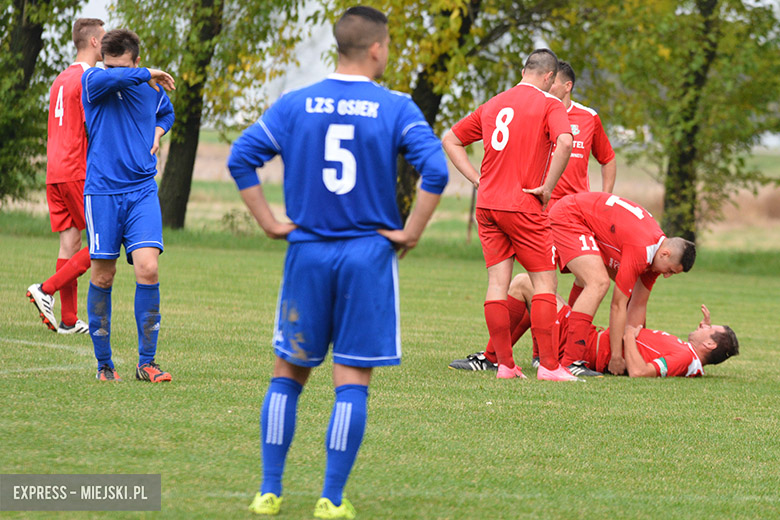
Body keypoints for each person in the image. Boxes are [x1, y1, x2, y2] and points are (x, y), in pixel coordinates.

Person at [228, 6, 448, 518]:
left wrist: (269, 221)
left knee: (288, 372)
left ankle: (269, 491)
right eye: (388, 45)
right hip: (367, 256)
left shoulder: (296, 104)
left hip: (307, 252)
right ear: (376, 49)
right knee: (351, 379)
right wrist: (411, 232)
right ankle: (330, 498)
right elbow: (435, 170)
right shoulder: (396, 106)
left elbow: (241, 157)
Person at [442, 48, 577, 381]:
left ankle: (505, 365)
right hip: (524, 205)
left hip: (487, 205)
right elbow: (565, 142)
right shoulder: (550, 104)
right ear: (549, 76)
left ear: (523, 70)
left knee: (497, 283)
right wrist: (548, 186)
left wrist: (477, 179)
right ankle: (548, 367)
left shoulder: (494, 102)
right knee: (544, 282)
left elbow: (451, 139)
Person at [81, 29, 175, 382]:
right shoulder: (94, 80)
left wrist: (158, 131)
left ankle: (146, 363)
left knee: (148, 269)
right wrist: (147, 72)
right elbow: (114, 77)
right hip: (103, 191)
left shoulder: (150, 88)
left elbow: (166, 113)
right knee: (104, 275)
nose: (112, 72)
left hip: (141, 190)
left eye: (122, 66)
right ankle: (104, 365)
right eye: (109, 65)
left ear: (136, 59)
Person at [450, 274, 739, 377]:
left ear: (710, 344)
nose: (702, 328)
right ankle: (510, 357)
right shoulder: (690, 354)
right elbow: (650, 348)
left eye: (708, 332)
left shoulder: (685, 358)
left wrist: (626, 332)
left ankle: (492, 359)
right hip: (588, 337)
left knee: (525, 283)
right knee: (542, 292)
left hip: (584, 346)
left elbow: (639, 372)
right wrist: (703, 331)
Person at [550, 192, 696, 376]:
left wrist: (631, 348)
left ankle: (561, 347)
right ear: (665, 254)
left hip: (585, 219)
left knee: (589, 279)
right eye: (670, 271)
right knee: (598, 282)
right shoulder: (642, 250)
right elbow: (618, 305)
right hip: (570, 215)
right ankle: (571, 361)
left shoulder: (655, 257)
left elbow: (638, 304)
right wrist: (616, 357)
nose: (666, 276)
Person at [26, 18, 105, 335]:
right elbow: (94, 126)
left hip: (54, 171)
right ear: (95, 42)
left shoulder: (60, 79)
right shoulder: (89, 78)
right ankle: (46, 288)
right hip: (76, 170)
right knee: (105, 240)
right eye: (104, 36)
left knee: (70, 241)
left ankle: (69, 320)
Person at [547, 61, 616, 209]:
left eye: (553, 82)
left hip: (576, 206)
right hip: (542, 206)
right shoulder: (536, 115)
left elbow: (608, 159)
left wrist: (605, 199)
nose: (547, 86)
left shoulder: (588, 117)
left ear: (568, 86)